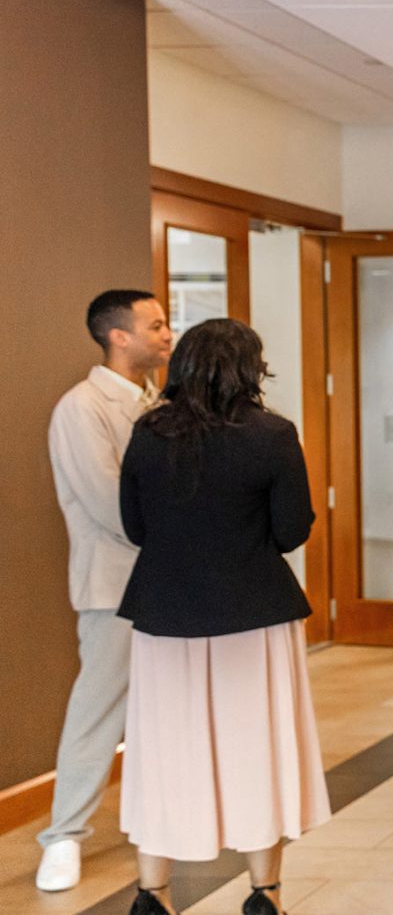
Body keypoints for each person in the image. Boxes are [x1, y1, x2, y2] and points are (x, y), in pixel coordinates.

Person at [117, 318, 328, 915]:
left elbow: (135, 528)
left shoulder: (147, 432)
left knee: (162, 748)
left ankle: (150, 895)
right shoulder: (273, 434)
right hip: (254, 613)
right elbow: (291, 531)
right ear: (250, 370)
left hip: (165, 615)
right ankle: (264, 896)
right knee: (253, 746)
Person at [37, 289, 173, 892]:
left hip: (169, 582)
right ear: (119, 336)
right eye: (157, 324)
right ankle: (63, 836)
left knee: (165, 707)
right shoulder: (81, 407)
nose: (168, 334)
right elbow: (108, 502)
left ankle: (158, 818)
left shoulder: (159, 405)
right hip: (113, 585)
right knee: (98, 709)